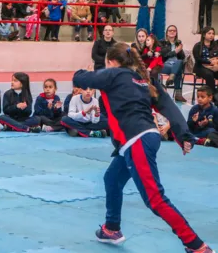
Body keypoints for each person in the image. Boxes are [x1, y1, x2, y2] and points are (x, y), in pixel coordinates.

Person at [73, 42, 214, 253]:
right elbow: (170, 109)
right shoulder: (145, 80)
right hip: (146, 138)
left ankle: (196, 245)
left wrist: (83, 69)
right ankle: (112, 229)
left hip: (136, 140)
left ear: (111, 62)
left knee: (155, 199)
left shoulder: (114, 74)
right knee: (112, 179)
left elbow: (80, 78)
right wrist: (183, 135)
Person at [160, 25, 186, 102]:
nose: (172, 32)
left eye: (174, 30)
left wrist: (180, 50)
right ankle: (178, 95)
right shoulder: (162, 42)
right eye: (170, 30)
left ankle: (172, 76)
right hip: (165, 64)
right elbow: (164, 55)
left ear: (176, 33)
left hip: (175, 64)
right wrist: (175, 51)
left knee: (179, 62)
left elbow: (182, 57)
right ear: (167, 33)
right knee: (178, 70)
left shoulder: (178, 43)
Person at [192, 27, 218, 103]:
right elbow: (198, 59)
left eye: (213, 33)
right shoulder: (198, 46)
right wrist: (209, 62)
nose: (211, 35)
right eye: (209, 33)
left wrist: (215, 63)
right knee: (209, 75)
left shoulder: (216, 45)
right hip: (200, 67)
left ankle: (216, 93)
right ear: (204, 35)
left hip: (214, 66)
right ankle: (212, 96)